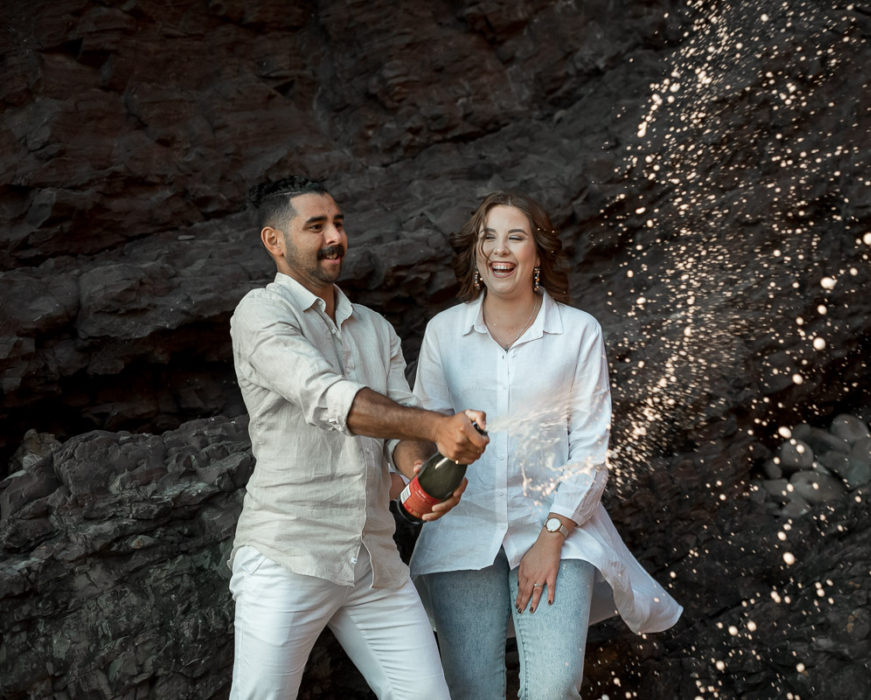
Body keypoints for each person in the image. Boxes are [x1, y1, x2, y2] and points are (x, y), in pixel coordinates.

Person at [410, 192, 682, 700]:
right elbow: (425, 434)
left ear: (538, 252)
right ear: (476, 253)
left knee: (554, 687)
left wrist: (552, 537)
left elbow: (591, 451)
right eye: (488, 237)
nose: (500, 248)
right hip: (461, 531)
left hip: (557, 524)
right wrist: (413, 481)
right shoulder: (444, 333)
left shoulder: (579, 332)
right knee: (470, 690)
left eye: (515, 236)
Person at [227, 176, 489, 700]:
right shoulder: (260, 314)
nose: (334, 237)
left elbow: (398, 432)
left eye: (339, 224)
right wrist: (439, 427)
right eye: (316, 226)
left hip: (373, 560)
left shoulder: (374, 327)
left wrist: (422, 474)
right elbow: (328, 397)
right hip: (289, 553)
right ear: (273, 242)